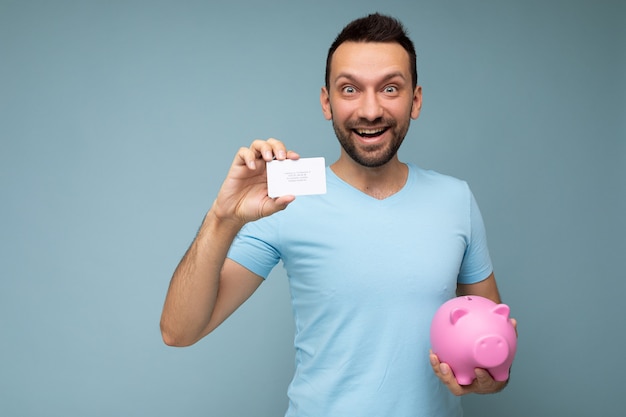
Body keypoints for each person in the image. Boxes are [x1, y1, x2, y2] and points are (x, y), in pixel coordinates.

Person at [161, 13, 514, 416]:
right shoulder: (285, 199)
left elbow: (493, 353)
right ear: (327, 102)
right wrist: (223, 217)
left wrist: (491, 377)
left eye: (390, 89)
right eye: (350, 89)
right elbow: (179, 331)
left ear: (415, 100)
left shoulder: (455, 199)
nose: (369, 110)